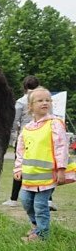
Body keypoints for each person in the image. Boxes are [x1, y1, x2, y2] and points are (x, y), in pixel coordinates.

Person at [13, 86, 76, 242]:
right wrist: (18, 168)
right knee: (26, 201)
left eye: (47, 100)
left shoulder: (55, 124)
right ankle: (36, 226)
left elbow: (61, 148)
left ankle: (42, 236)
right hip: (30, 176)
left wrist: (61, 169)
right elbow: (21, 151)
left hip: (47, 176)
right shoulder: (27, 128)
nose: (44, 103)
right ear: (30, 106)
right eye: (40, 100)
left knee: (40, 205)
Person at [3, 75, 39, 207]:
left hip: (26, 136)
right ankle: (48, 198)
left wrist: (13, 135)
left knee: (20, 166)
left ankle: (13, 199)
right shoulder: (44, 99)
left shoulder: (21, 102)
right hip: (42, 137)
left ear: (24, 87)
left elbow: (14, 121)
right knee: (41, 166)